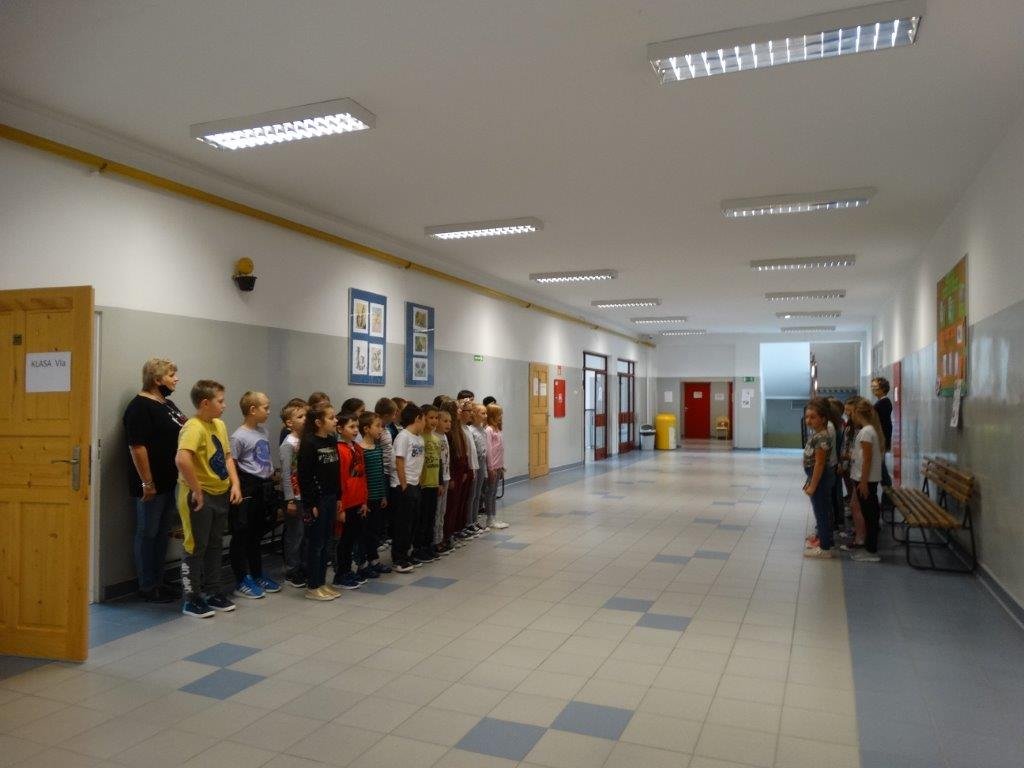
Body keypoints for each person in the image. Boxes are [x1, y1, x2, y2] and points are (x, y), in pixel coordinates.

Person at [174, 380, 242, 618]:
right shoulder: (193, 427)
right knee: (195, 546)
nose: (225, 405)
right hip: (199, 496)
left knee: (215, 544)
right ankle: (191, 598)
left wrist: (235, 484)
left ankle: (213, 592)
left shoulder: (219, 425)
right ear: (205, 403)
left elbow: (227, 456)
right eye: (220, 401)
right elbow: (182, 459)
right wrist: (196, 489)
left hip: (219, 493)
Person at [124, 358, 188, 603]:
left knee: (162, 532)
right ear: (157, 379)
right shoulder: (139, 407)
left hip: (171, 480)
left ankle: (159, 580)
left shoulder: (167, 404)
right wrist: (147, 483)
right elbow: (137, 447)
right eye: (171, 375)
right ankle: (147, 586)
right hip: (151, 483)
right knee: (148, 532)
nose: (176, 379)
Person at [229, 391, 280, 599]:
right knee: (241, 534)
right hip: (247, 488)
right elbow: (232, 463)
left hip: (263, 488)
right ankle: (241, 579)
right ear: (252, 410)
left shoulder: (263, 431)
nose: (269, 411)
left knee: (256, 535)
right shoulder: (238, 436)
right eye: (265, 408)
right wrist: (238, 487)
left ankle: (257, 574)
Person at [297, 402, 342, 600]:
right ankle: (313, 585)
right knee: (316, 543)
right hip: (318, 499)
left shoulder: (331, 440)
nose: (335, 420)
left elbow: (335, 472)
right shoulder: (309, 443)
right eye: (331, 418)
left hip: (331, 497)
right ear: (318, 422)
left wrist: (339, 496)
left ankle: (322, 582)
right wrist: (311, 503)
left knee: (327, 541)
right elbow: (304, 476)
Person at [333, 412, 367, 590]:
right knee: (344, 541)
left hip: (358, 500)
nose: (355, 430)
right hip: (346, 503)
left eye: (357, 427)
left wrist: (364, 500)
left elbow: (363, 477)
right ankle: (341, 573)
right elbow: (340, 480)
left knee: (354, 537)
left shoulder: (358, 448)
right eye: (351, 427)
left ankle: (349, 570)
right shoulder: (339, 450)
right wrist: (340, 508)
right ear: (340, 429)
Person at [390, 403, 425, 573]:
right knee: (402, 524)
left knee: (413, 522)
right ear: (417, 418)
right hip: (403, 486)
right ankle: (398, 558)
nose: (424, 424)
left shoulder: (419, 438)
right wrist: (404, 485)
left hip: (415, 484)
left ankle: (406, 553)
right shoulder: (403, 437)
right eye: (424, 420)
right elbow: (399, 461)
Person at [849, 399, 884, 563]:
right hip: (867, 479)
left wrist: (863, 482)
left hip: (866, 480)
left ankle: (871, 551)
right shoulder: (870, 430)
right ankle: (870, 548)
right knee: (870, 514)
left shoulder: (866, 432)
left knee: (870, 515)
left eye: (852, 413)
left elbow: (867, 459)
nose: (851, 416)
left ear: (858, 413)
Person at [358, 411, 391, 578]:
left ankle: (374, 560)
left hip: (378, 496)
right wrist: (363, 499)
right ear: (366, 429)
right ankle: (362, 563)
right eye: (377, 426)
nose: (381, 429)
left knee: (375, 530)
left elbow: (380, 472)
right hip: (366, 498)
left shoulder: (377, 448)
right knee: (365, 532)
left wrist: (383, 495)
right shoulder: (360, 450)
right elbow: (361, 477)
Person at [802, 398, 836, 559]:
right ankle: (827, 541)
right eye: (807, 417)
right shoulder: (817, 434)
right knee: (822, 511)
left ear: (823, 418)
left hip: (820, 479)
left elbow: (820, 464)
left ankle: (824, 548)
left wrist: (813, 486)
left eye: (813, 417)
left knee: (821, 512)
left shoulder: (822, 437)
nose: (808, 420)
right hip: (816, 476)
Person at [279, 399, 307, 588]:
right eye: (300, 416)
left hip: (305, 495)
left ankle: (302, 566)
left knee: (304, 534)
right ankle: (291, 570)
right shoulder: (288, 444)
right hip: (294, 497)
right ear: (289, 422)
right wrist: (289, 499)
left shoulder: (305, 441)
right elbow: (286, 473)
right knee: (295, 534)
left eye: (306, 415)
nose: (305, 419)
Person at [415, 404, 441, 563]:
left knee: (431, 516)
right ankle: (418, 547)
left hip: (433, 484)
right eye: (430, 417)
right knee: (422, 518)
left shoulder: (436, 439)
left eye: (436, 418)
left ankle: (428, 544)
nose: (434, 421)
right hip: (423, 485)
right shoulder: (419, 439)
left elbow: (439, 462)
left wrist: (439, 482)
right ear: (423, 418)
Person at [465, 402, 490, 535]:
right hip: (474, 464)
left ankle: (474, 520)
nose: (485, 416)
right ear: (474, 414)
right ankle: (469, 522)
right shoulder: (470, 430)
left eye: (486, 413)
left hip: (482, 463)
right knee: (472, 494)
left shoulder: (483, 430)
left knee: (478, 494)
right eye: (482, 413)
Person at [484, 403, 508, 529]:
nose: (501, 416)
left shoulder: (497, 429)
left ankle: (493, 517)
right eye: (499, 414)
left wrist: (501, 465)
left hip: (498, 466)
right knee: (490, 492)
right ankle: (490, 518)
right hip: (492, 467)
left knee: (494, 493)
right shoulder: (488, 430)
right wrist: (491, 467)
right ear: (492, 415)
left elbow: (500, 449)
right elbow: (489, 450)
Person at [872, 377, 894, 509]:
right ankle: (887, 499)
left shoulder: (883, 403)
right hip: (882, 439)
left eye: (876, 387)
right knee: (881, 468)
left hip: (881, 440)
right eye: (873, 387)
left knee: (881, 469)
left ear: (883, 389)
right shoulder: (882, 402)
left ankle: (888, 499)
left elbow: (883, 425)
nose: (873, 389)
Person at [433, 407, 453, 553]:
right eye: (445, 421)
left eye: (450, 421)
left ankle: (440, 538)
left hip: (446, 477)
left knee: (442, 511)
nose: (448, 424)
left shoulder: (445, 437)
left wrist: (448, 477)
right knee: (437, 511)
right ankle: (435, 541)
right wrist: (439, 481)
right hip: (438, 480)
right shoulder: (435, 437)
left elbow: (447, 460)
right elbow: (438, 461)